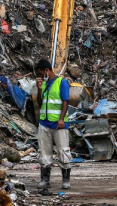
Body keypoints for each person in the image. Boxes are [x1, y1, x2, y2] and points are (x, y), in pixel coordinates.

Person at [35, 59, 72, 189]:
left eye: (40, 73)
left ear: (46, 70)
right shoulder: (44, 84)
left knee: (63, 152)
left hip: (58, 124)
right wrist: (39, 89)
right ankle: (45, 180)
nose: (40, 76)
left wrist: (61, 119)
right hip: (45, 124)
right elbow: (40, 104)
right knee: (44, 153)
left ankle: (66, 181)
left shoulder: (61, 82)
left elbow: (65, 102)